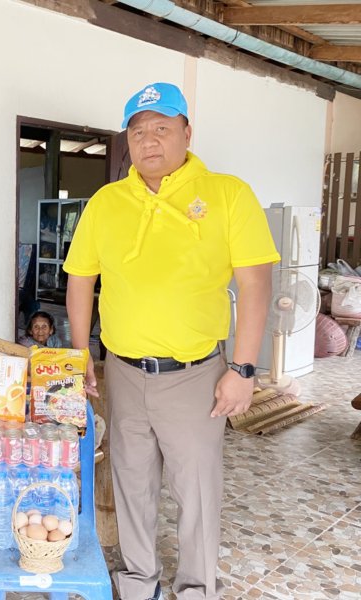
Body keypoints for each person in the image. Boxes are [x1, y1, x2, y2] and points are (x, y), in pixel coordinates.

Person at [63, 83, 280, 600]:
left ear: (187, 132)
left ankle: (197, 588)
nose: (149, 140)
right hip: (123, 370)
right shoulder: (107, 202)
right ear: (127, 142)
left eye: (162, 128)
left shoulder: (228, 194)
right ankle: (139, 582)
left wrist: (243, 369)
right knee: (131, 482)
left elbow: (256, 285)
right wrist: (79, 353)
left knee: (196, 490)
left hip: (196, 375)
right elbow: (80, 279)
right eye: (138, 132)